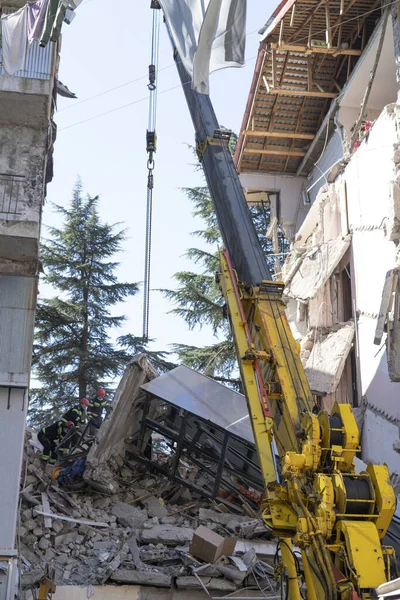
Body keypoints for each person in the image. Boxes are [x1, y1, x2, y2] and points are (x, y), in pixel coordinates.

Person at [38, 398, 89, 463]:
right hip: (43, 434)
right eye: (67, 429)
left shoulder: (65, 430)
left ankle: (51, 464)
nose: (67, 431)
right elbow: (63, 424)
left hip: (50, 438)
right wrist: (81, 421)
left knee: (54, 450)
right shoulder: (60, 424)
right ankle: (43, 462)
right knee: (47, 446)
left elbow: (64, 439)